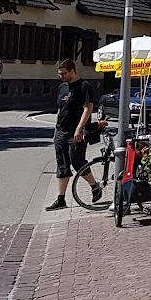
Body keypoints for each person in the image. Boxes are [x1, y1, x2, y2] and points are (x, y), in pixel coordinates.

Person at [46, 59, 100, 211]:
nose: (61, 76)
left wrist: (79, 128)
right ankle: (61, 199)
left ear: (72, 71)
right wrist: (56, 130)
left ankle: (94, 186)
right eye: (59, 74)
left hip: (75, 132)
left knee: (77, 162)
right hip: (61, 131)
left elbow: (88, 108)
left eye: (63, 73)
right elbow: (60, 109)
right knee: (62, 164)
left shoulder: (84, 86)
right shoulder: (62, 87)